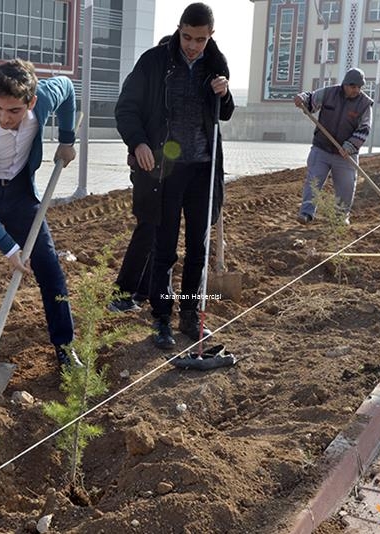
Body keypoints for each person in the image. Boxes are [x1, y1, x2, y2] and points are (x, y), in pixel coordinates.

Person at [0, 59, 82, 369]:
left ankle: (64, 346)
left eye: (13, 111)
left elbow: (69, 88)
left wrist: (66, 141)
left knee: (50, 270)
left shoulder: (45, 96)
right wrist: (9, 247)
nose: (4, 118)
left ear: (31, 102)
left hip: (20, 193)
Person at [115, 2, 234, 349]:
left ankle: (191, 317)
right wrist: (138, 142)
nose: (192, 45)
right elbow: (126, 108)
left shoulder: (215, 63)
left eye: (200, 39)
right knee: (164, 246)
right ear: (179, 28)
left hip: (202, 168)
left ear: (210, 35)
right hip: (165, 172)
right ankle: (161, 320)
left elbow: (223, 115)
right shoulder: (154, 62)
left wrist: (224, 95)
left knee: (198, 247)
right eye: (187, 36)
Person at [107, 34, 174, 314]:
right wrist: (137, 144)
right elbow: (127, 113)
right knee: (148, 227)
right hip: (147, 168)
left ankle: (145, 290)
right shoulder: (145, 76)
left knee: (161, 230)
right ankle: (122, 293)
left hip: (172, 169)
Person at [294, 68, 373, 225]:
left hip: (345, 154)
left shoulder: (364, 104)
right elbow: (311, 99)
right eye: (352, 86)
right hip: (321, 148)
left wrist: (350, 146)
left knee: (346, 186)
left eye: (358, 87)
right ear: (344, 84)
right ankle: (306, 213)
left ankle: (340, 216)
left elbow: (364, 129)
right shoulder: (329, 93)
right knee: (313, 181)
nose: (355, 90)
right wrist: (302, 99)